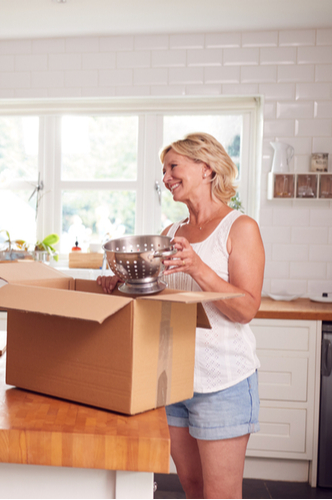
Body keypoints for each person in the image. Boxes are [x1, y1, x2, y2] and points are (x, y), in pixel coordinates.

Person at [97, 132, 264, 499]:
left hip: (224, 381)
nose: (166, 176)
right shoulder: (169, 234)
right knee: (192, 487)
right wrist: (121, 282)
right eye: (164, 169)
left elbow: (247, 308)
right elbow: (156, 297)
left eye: (174, 166)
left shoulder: (240, 228)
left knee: (219, 494)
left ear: (206, 169)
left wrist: (200, 268)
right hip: (173, 380)